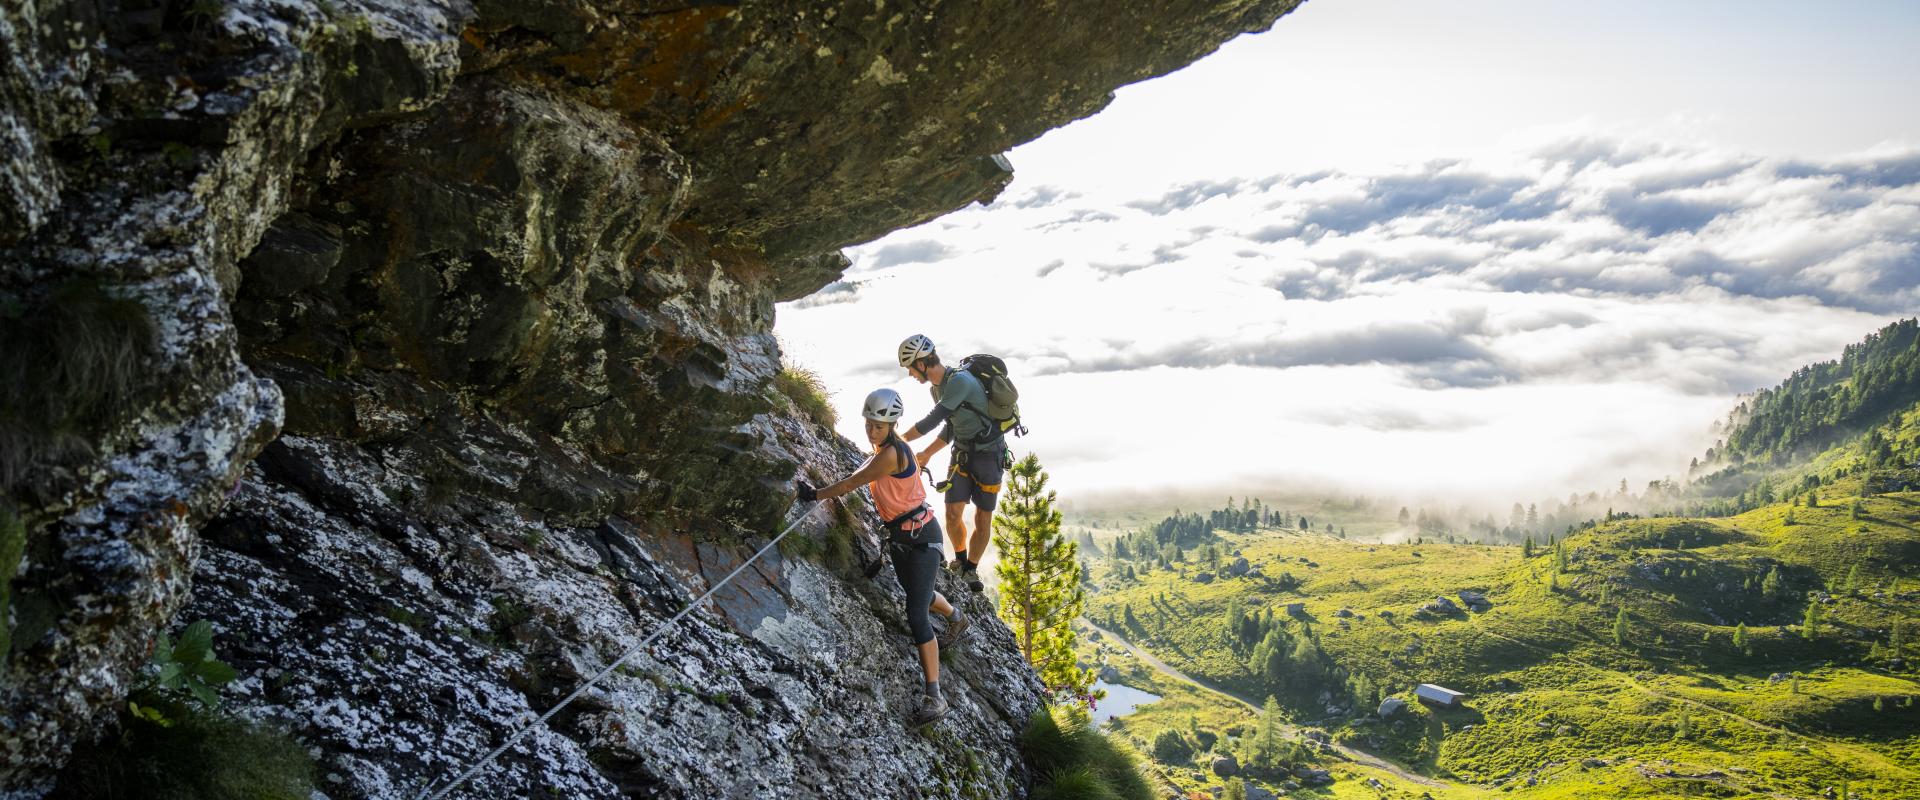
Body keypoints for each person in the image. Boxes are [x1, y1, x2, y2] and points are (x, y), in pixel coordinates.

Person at [795, 388, 970, 727]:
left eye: (878, 426)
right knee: (919, 594)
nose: (872, 431)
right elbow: (865, 468)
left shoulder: (892, 454)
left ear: (892, 425)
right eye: (869, 424)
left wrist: (814, 494)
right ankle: (957, 618)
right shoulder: (885, 449)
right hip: (904, 538)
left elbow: (852, 483)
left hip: (921, 538)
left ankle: (935, 696)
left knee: (916, 613)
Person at [895, 334, 1006, 593]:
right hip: (963, 453)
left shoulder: (959, 381)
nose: (910, 374)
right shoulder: (937, 389)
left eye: (911, 368)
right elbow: (952, 427)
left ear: (922, 363)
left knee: (983, 516)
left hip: (990, 455)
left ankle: (971, 569)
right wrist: (927, 453)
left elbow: (932, 421)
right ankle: (960, 560)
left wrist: (896, 441)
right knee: (953, 513)